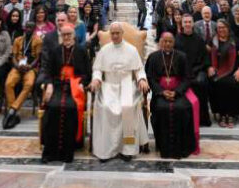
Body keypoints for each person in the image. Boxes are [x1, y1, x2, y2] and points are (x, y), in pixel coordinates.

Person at [90, 22, 150, 161]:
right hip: (109, 86)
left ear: (122, 34)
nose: (115, 36)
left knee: (127, 107)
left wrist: (141, 79)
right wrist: (96, 79)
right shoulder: (104, 50)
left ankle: (127, 149)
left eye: (118, 33)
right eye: (113, 33)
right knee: (105, 107)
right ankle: (105, 150)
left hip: (127, 85)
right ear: (110, 34)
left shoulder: (132, 50)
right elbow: (98, 69)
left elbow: (139, 69)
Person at [39, 24, 91, 163]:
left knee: (71, 108)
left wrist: (82, 83)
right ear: (61, 36)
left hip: (74, 86)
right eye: (64, 35)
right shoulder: (55, 50)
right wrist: (49, 85)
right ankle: (50, 151)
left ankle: (69, 150)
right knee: (52, 107)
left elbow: (87, 73)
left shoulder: (81, 50)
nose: (66, 37)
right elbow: (48, 71)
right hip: (57, 85)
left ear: (74, 35)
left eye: (69, 34)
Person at [146, 31, 198, 159]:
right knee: (161, 108)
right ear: (160, 42)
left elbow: (187, 78)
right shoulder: (153, 57)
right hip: (160, 93)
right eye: (165, 41)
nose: (167, 44)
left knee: (183, 108)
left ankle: (181, 146)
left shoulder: (182, 56)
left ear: (174, 43)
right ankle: (162, 145)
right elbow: (150, 78)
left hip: (179, 92)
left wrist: (177, 91)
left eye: (170, 41)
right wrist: (161, 91)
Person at [209, 20, 239, 128]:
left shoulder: (234, 40)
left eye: (223, 27)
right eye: (219, 27)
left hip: (233, 71)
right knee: (218, 83)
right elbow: (205, 53)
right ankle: (222, 114)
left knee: (231, 83)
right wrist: (209, 67)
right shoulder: (213, 41)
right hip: (217, 71)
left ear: (228, 28)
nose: (221, 29)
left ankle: (231, 114)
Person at [175, 13, 212, 127]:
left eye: (189, 22)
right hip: (181, 72)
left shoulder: (199, 39)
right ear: (182, 24)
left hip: (197, 70)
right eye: (185, 22)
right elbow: (175, 60)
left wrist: (196, 70)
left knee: (200, 84)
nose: (187, 24)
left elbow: (205, 58)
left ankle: (201, 119)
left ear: (193, 24)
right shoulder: (176, 40)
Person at [4, 21, 42, 129]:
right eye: (27, 27)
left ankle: (12, 110)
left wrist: (29, 67)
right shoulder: (18, 40)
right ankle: (15, 113)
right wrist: (17, 66)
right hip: (17, 67)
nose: (29, 29)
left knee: (29, 84)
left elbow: (38, 58)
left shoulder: (38, 40)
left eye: (31, 27)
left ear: (34, 29)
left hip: (30, 68)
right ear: (24, 28)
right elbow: (13, 56)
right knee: (8, 83)